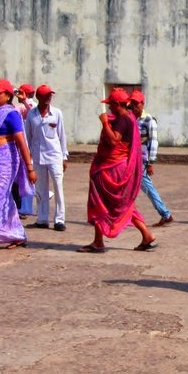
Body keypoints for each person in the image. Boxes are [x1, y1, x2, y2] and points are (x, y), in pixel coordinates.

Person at [78, 88, 156, 253]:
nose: (109, 108)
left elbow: (114, 140)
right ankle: (146, 235)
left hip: (111, 168)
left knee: (100, 201)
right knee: (122, 203)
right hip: (117, 166)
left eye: (111, 105)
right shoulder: (129, 118)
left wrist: (105, 123)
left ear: (117, 104)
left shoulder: (122, 120)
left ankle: (99, 241)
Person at [0, 79, 36, 249]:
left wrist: (29, 168)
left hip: (3, 165)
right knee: (3, 198)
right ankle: (16, 234)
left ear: (7, 96)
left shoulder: (11, 114)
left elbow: (21, 142)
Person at [25, 84, 69, 231]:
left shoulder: (56, 113)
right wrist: (28, 158)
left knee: (58, 186)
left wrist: (64, 156)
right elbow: (27, 136)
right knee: (40, 189)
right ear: (38, 97)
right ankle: (42, 219)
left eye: (50, 95)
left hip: (55, 155)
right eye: (46, 95)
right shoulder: (31, 115)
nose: (49, 97)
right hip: (38, 156)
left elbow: (62, 135)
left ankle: (59, 220)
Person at [128, 90, 174, 227]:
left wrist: (150, 162)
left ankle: (165, 214)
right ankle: (125, 215)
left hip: (142, 160)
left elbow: (153, 142)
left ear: (142, 104)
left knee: (147, 187)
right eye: (133, 104)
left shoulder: (149, 120)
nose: (134, 107)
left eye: (137, 104)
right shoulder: (131, 119)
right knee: (129, 187)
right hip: (132, 159)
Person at [14, 83, 36, 216]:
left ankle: (24, 207)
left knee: (26, 177)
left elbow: (32, 110)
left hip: (27, 147)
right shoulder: (23, 106)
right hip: (24, 146)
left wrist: (24, 100)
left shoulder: (28, 106)